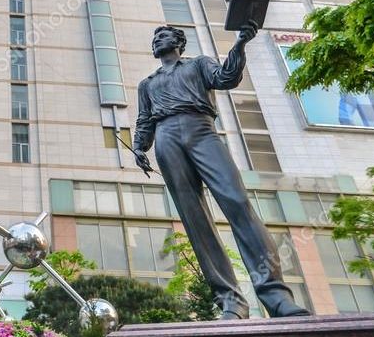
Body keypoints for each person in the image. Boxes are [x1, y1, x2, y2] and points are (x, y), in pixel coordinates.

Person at [132, 21, 309, 319]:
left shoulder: (198, 64)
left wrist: (239, 44)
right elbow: (144, 120)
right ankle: (231, 302)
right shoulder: (147, 84)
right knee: (195, 219)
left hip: (201, 129)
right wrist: (139, 146)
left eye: (164, 35)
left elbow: (226, 78)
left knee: (237, 203)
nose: (158, 40)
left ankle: (276, 296)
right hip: (165, 140)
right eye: (155, 38)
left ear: (178, 43)